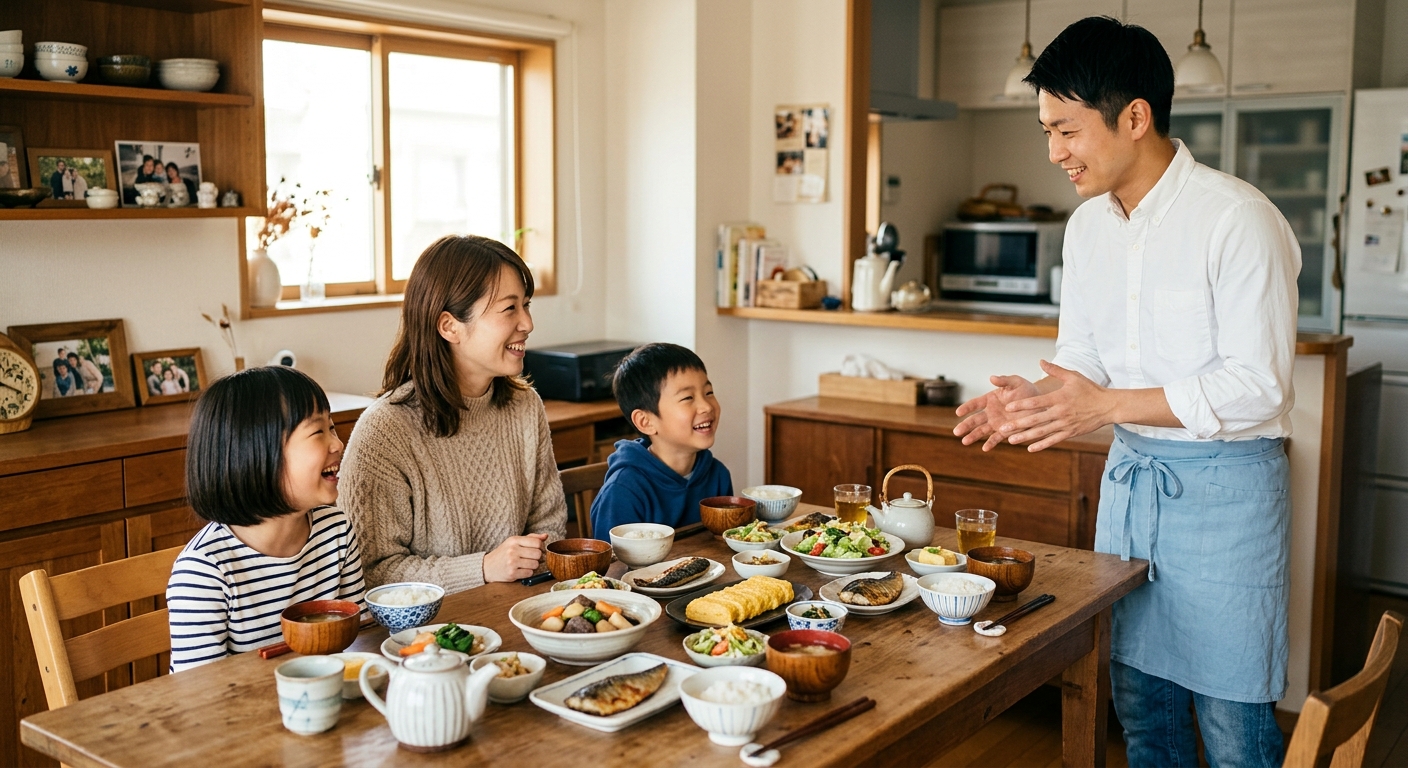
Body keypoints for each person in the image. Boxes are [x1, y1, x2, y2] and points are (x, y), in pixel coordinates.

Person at [951, 17, 1299, 767]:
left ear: (1134, 117)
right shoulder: (1086, 230)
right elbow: (1082, 358)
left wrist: (1104, 407)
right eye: (1047, 131)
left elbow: (1257, 385)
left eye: (1067, 130)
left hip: (1228, 500)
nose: (1054, 153)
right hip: (1133, 489)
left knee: (1238, 736)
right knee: (1142, 717)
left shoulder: (1237, 219)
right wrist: (1034, 404)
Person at [339, 234, 567, 592]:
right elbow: (372, 572)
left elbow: (549, 528)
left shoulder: (526, 408)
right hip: (425, 637)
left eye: (527, 305)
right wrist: (483, 568)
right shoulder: (385, 429)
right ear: (449, 326)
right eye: (509, 309)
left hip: (517, 612)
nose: (527, 323)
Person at [166, 366, 366, 672]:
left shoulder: (335, 531)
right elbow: (201, 697)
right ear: (257, 452)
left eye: (333, 427)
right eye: (318, 431)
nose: (338, 444)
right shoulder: (205, 573)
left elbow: (358, 641)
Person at [589, 343, 732, 538]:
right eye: (688, 397)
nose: (706, 406)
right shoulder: (623, 491)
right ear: (646, 422)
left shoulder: (718, 475)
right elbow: (612, 567)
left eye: (708, 393)